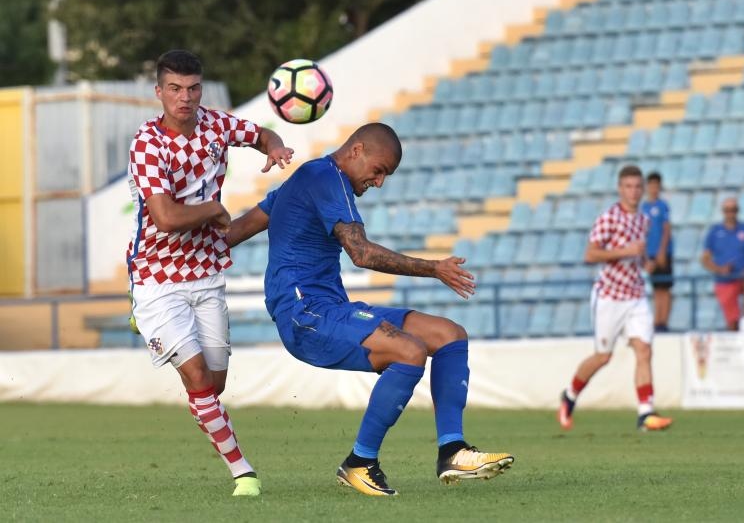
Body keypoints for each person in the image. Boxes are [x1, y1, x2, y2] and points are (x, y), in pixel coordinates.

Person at [226, 122, 513, 497]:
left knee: (448, 334)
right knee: (408, 351)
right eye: (379, 171)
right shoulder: (327, 178)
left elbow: (234, 232)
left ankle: (452, 450)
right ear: (357, 151)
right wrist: (433, 268)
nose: (379, 183)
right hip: (305, 313)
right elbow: (360, 253)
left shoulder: (309, 178)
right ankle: (360, 463)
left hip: (331, 307)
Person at [126, 49, 294, 497]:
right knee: (199, 379)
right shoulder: (148, 143)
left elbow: (259, 132)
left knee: (212, 386)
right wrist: (214, 209)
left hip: (206, 274)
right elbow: (164, 217)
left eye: (193, 87)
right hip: (158, 278)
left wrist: (274, 147)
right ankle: (244, 473)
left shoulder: (216, 124)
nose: (185, 97)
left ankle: (204, 407)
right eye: (175, 89)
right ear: (159, 92)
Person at [558, 165, 673, 433]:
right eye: (628, 186)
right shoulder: (609, 218)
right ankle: (570, 395)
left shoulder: (643, 220)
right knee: (603, 357)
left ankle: (646, 413)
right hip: (609, 296)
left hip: (635, 294)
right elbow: (590, 255)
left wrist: (646, 262)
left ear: (643, 189)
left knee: (644, 349)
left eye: (637, 186)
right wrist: (625, 251)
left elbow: (637, 254)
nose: (633, 191)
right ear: (620, 189)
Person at [701, 196, 744, 332]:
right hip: (724, 280)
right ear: (723, 212)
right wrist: (720, 269)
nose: (730, 213)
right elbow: (705, 259)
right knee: (732, 323)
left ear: (737, 211)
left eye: (733, 210)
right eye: (727, 210)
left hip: (741, 275)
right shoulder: (714, 232)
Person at [641, 172, 673, 332]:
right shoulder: (643, 208)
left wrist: (662, 251)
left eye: (656, 186)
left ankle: (663, 320)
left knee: (665, 287)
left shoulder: (662, 206)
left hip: (663, 252)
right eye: (651, 185)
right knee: (656, 288)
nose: (654, 189)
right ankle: (657, 320)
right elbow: (642, 233)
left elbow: (666, 229)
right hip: (650, 252)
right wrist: (645, 256)